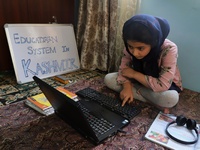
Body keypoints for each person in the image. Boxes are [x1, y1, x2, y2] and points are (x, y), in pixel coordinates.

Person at [104, 14, 183, 114]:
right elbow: (123, 70)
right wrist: (127, 87)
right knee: (108, 79)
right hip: (140, 81)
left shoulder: (169, 49)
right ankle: (150, 100)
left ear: (153, 43)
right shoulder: (130, 47)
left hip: (164, 86)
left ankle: (139, 93)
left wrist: (134, 74)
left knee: (171, 98)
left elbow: (162, 85)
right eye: (131, 47)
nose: (134, 53)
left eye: (140, 48)